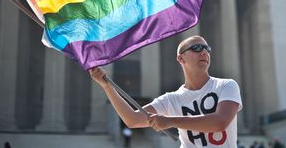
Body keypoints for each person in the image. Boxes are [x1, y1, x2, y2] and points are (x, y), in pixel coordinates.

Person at [90, 35, 242, 147]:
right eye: (196, 48)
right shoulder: (171, 100)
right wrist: (107, 86)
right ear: (181, 59)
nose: (204, 52)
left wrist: (170, 121)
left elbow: (220, 122)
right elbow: (132, 120)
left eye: (207, 49)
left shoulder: (226, 85)